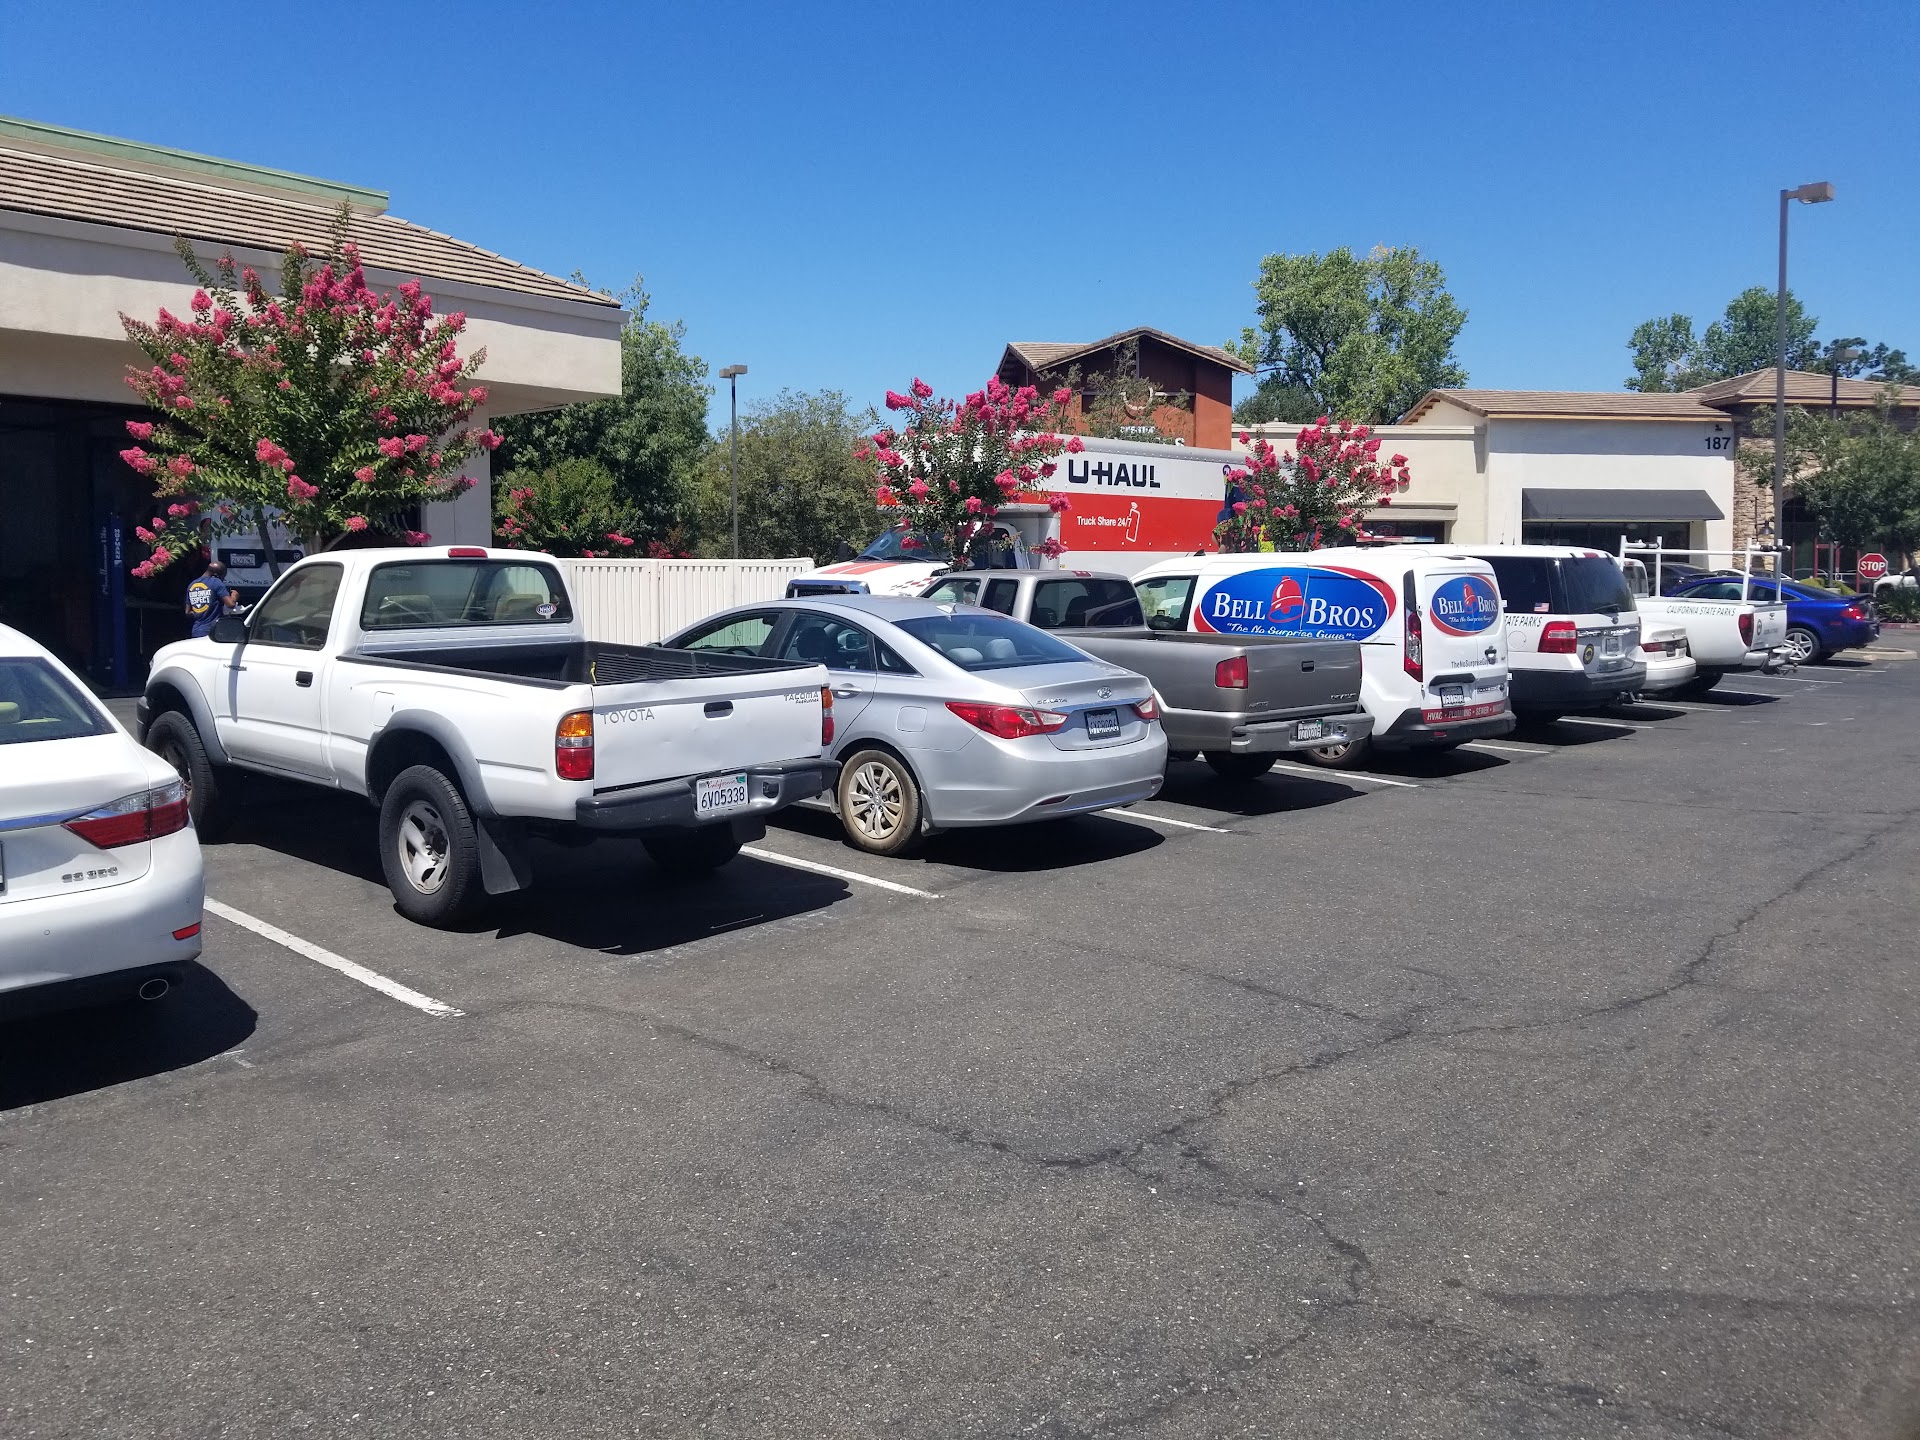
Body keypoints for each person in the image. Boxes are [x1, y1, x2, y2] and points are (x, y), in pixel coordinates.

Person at [185, 559, 237, 639]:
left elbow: (187, 612)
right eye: (222, 577)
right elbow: (231, 604)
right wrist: (234, 595)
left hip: (197, 631)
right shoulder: (216, 582)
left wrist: (200, 612)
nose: (223, 580)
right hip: (213, 631)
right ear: (216, 575)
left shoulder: (192, 585)